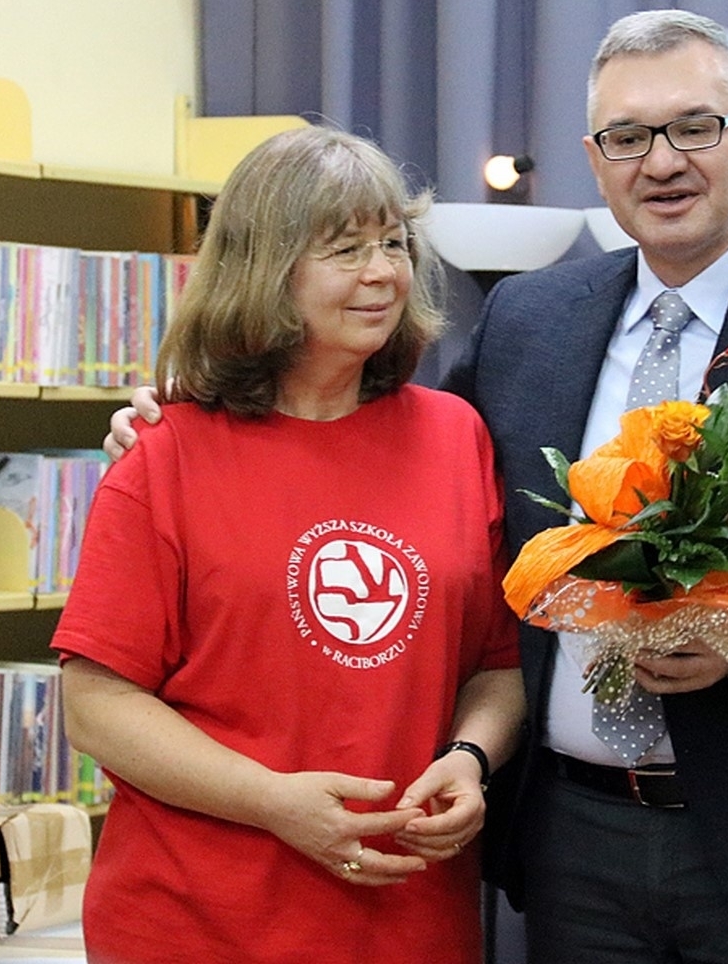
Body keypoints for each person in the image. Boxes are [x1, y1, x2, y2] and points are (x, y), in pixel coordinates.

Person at [111, 10, 728, 964]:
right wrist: (193, 409)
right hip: (574, 841)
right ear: (595, 158)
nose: (660, 162)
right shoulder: (527, 321)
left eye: (693, 127)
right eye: (627, 137)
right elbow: (385, 461)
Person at [61, 125, 523, 964]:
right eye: (345, 249)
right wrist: (273, 802)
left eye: (393, 243)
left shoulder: (457, 437)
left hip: (406, 923)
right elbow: (95, 705)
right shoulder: (163, 453)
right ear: (263, 269)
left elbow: (498, 661)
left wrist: (469, 756)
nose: (383, 272)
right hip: (197, 923)